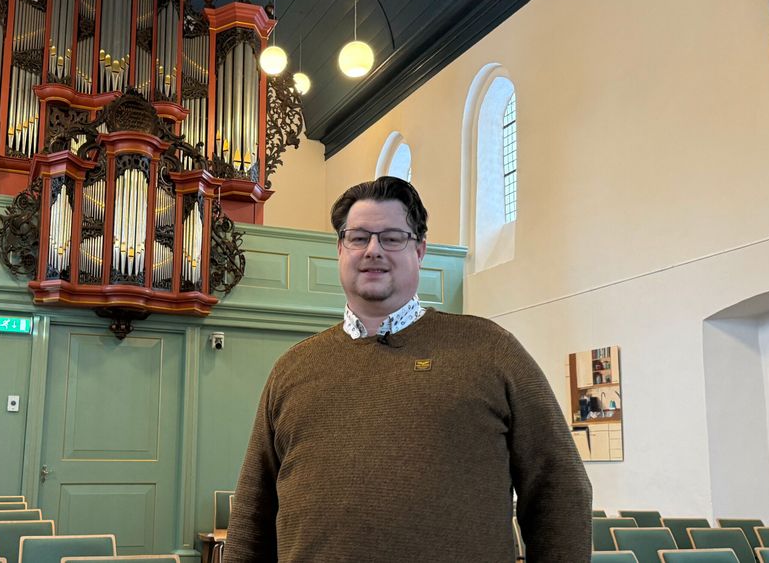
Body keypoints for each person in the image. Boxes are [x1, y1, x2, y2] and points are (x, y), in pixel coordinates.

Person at [226, 176, 591, 562]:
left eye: (392, 237)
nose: (373, 250)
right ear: (339, 249)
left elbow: (560, 488)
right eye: (358, 237)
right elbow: (254, 511)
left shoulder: (491, 351)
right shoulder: (292, 368)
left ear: (420, 250)